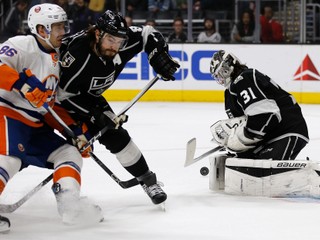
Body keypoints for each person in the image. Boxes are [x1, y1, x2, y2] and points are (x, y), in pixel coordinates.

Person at [57, 10, 180, 205]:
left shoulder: (123, 40)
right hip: (63, 103)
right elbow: (60, 95)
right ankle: (66, 194)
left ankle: (148, 181)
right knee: (64, 149)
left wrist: (158, 55)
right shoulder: (78, 54)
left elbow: (148, 33)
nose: (115, 47)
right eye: (111, 40)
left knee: (116, 135)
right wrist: (94, 115)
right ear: (98, 34)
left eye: (119, 42)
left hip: (91, 97)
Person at [0, 3, 102, 233]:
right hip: (7, 115)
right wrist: (22, 84)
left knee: (69, 152)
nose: (62, 31)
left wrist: (75, 131)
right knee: (11, 159)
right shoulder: (22, 45)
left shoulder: (56, 59)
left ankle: (69, 203)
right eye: (57, 27)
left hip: (35, 125)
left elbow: (50, 107)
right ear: (41, 29)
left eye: (63, 25)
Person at [209, 50, 309, 160]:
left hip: (286, 130)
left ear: (230, 66)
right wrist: (233, 139)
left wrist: (240, 138)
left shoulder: (244, 78)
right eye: (217, 77)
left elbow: (265, 116)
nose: (221, 79)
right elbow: (244, 122)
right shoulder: (230, 93)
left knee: (264, 169)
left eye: (222, 72)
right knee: (242, 165)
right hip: (268, 135)